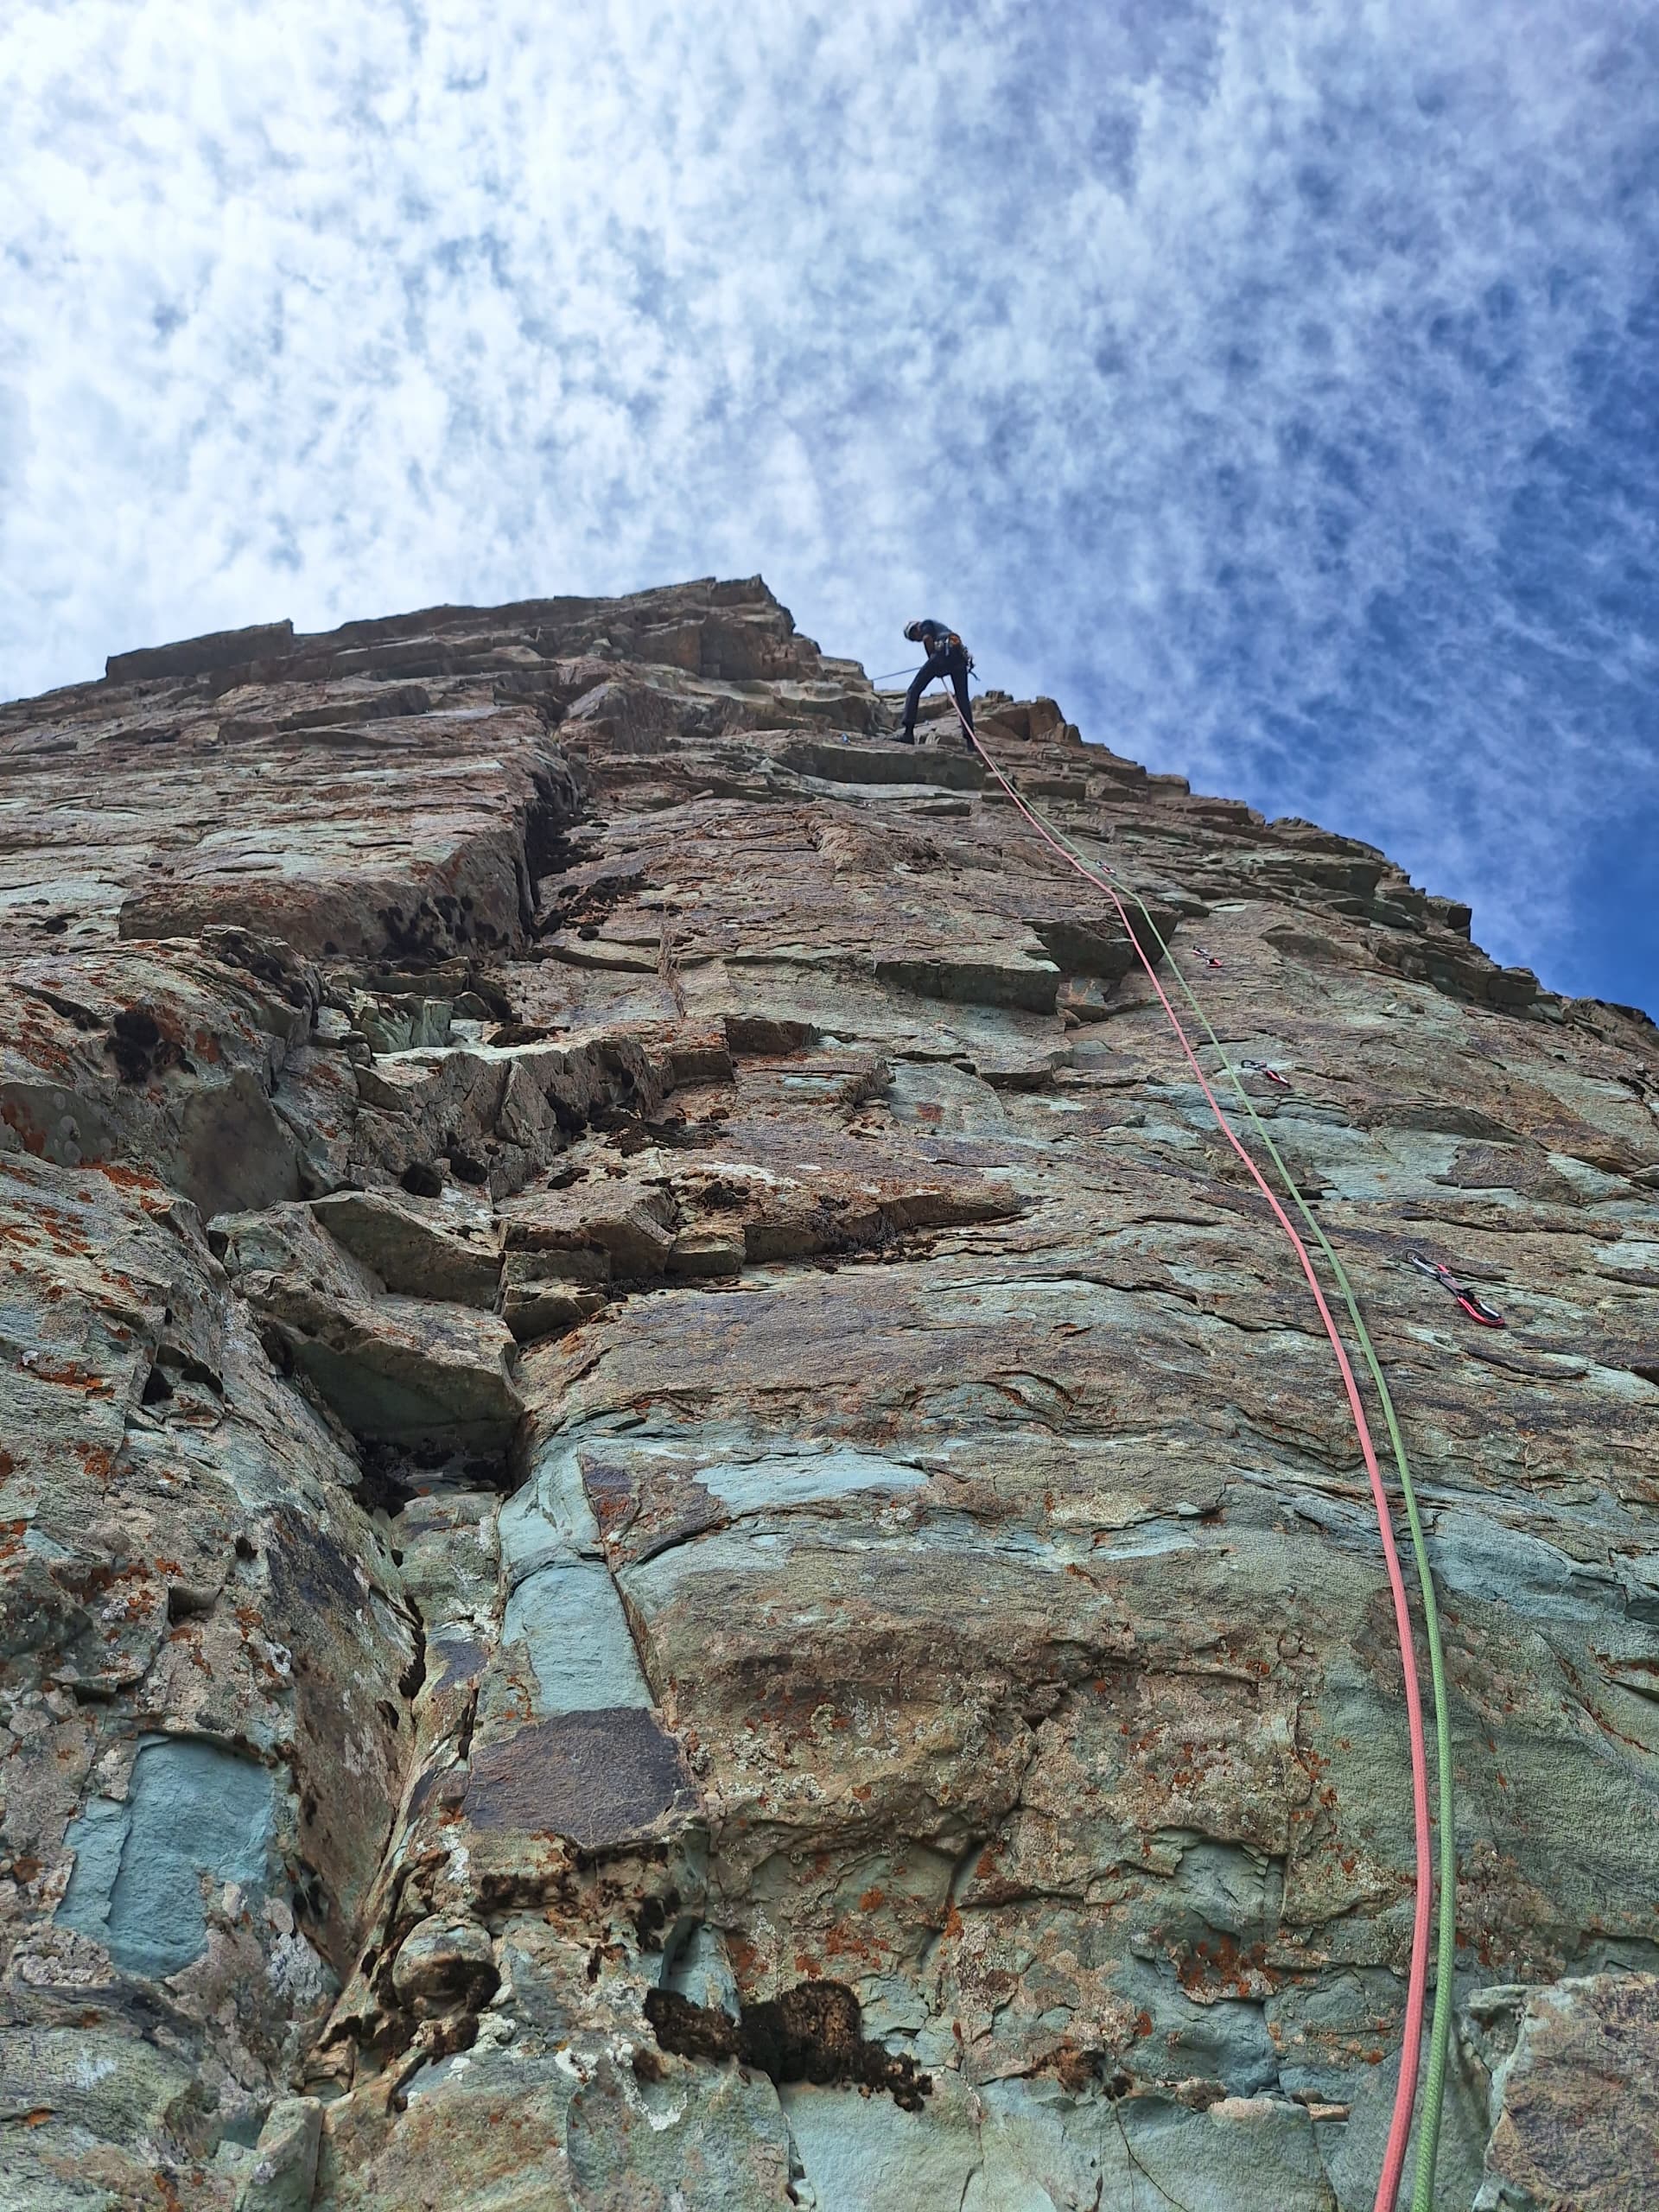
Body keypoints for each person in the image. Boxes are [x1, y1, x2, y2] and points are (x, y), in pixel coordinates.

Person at [899, 620, 975, 747]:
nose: (917, 639)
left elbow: (927, 639)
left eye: (914, 637)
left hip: (943, 654)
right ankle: (970, 741)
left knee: (914, 689)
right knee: (962, 698)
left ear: (915, 629)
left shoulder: (925, 624)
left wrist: (933, 660)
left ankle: (908, 733)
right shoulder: (942, 629)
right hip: (959, 658)